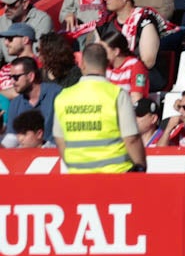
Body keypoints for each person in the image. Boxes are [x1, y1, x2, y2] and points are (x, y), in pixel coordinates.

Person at [51, 44, 144, 173]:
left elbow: (60, 140)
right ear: (107, 65)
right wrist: (141, 167)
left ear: (82, 65)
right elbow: (131, 139)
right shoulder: (117, 94)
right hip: (116, 174)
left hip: (78, 175)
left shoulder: (63, 97)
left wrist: (74, 166)